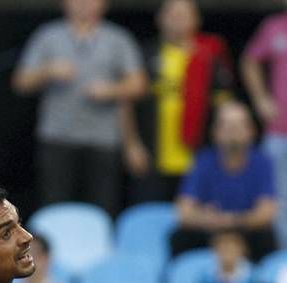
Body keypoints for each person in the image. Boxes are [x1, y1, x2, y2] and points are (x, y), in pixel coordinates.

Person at [13, 0, 146, 215]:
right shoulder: (48, 36)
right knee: (54, 205)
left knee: (102, 207)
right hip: (57, 138)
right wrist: (47, 71)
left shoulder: (118, 39)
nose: (84, 4)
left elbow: (139, 84)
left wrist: (110, 90)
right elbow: (21, 82)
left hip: (103, 140)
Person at [123, 0, 233, 203]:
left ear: (196, 20)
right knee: (149, 216)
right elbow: (127, 102)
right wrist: (132, 144)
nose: (177, 20)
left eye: (184, 15)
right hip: (151, 156)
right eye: (172, 14)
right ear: (160, 19)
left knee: (193, 222)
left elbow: (223, 108)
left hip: (198, 158)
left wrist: (220, 154)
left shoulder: (209, 56)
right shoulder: (145, 54)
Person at [170, 100, 278, 260]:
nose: (233, 131)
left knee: (266, 239)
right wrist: (208, 220)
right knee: (180, 238)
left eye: (239, 125)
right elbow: (183, 212)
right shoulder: (202, 161)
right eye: (226, 126)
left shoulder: (263, 163)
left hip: (245, 230)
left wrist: (231, 221)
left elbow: (266, 213)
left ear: (251, 131)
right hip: (209, 229)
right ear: (215, 132)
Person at [241, 7, 287, 249]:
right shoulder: (274, 26)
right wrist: (260, 99)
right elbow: (250, 60)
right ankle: (282, 258)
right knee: (277, 201)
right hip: (279, 131)